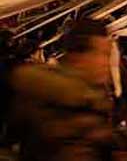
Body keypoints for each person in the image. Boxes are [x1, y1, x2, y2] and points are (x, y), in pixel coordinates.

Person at [8, 19, 119, 161]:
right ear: (77, 56)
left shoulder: (93, 98)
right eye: (101, 53)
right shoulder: (63, 103)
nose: (105, 63)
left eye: (107, 55)